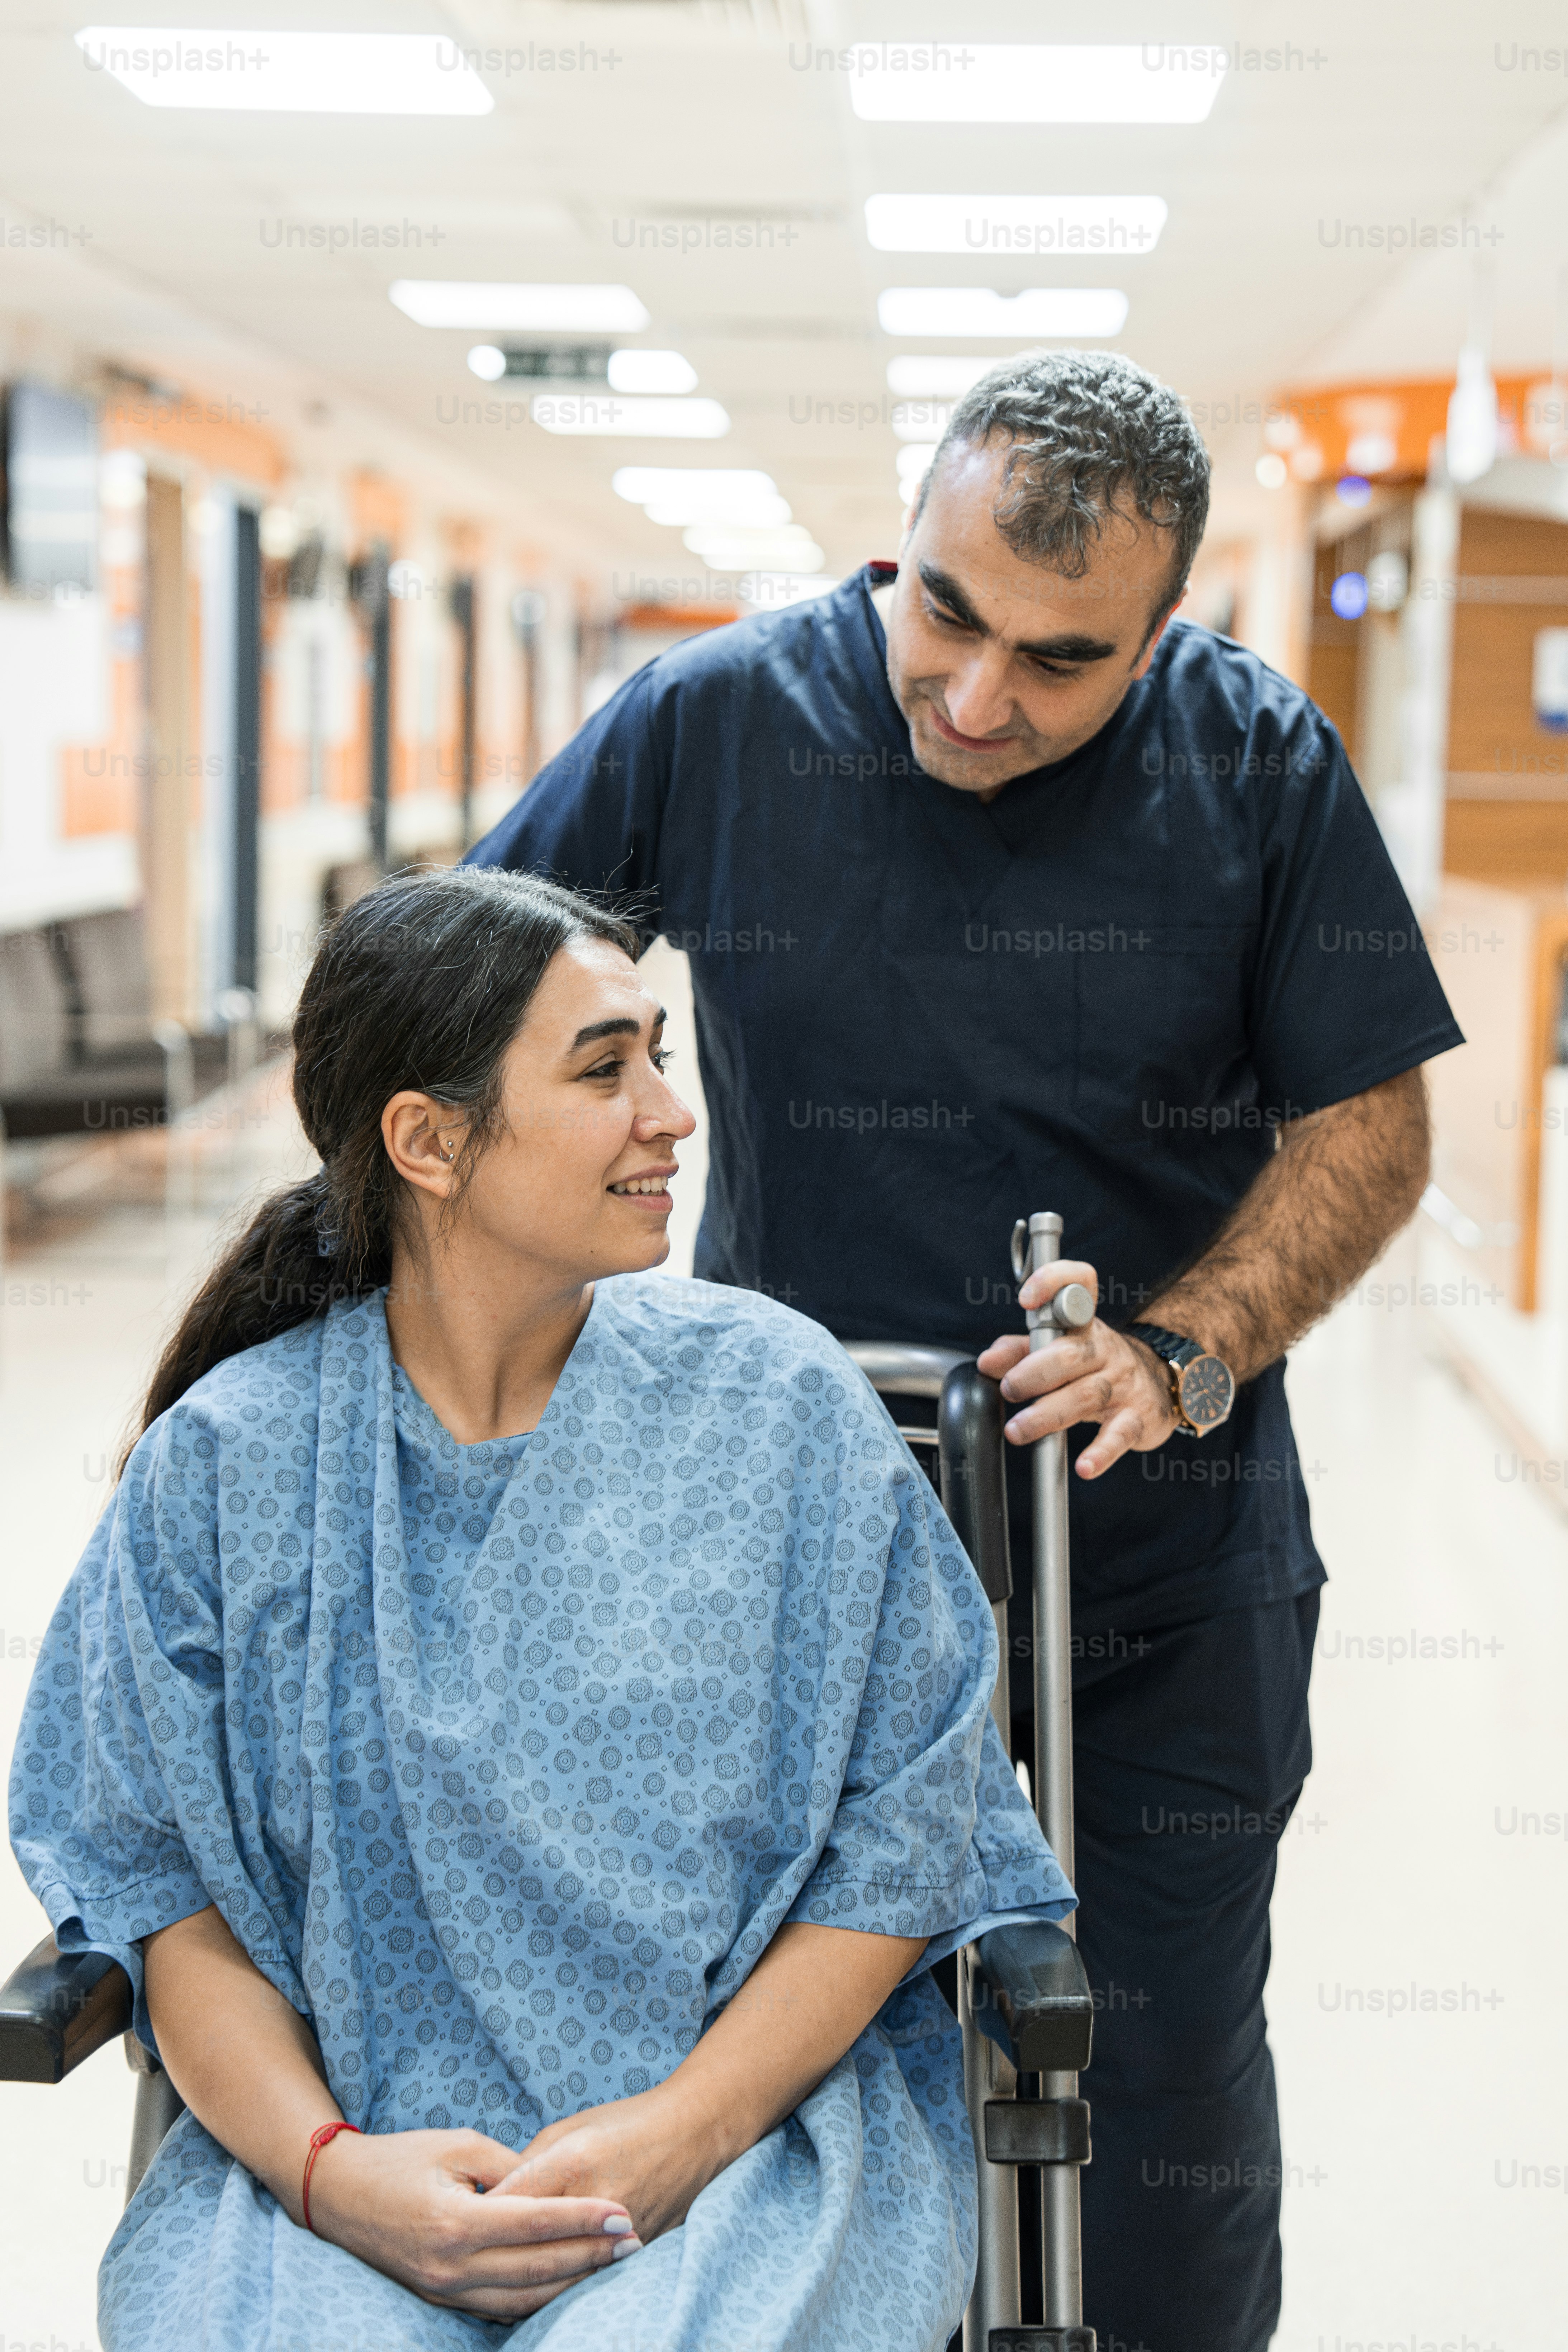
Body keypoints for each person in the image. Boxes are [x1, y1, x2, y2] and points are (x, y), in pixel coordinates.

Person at [470, 350, 1465, 2351]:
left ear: (1165, 632)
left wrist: (1178, 1351)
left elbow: (1368, 1125)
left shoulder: (1252, 762)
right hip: (790, 1560)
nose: (979, 695)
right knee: (773, 2064)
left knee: (1148, 2081)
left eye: (1063, 657)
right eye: (945, 611)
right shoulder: (719, 716)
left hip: (1154, 1571)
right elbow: (468, 1001)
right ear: (899, 539)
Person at [9, 866, 1072, 2352]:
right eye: (603, 1067)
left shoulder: (780, 1412)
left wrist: (682, 2134)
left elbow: (904, 1840)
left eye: (659, 1053)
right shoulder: (228, 1467)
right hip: (341, 2162)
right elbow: (160, 1887)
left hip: (750, 2161)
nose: (670, 1112)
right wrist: (333, 2177)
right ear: (428, 1140)